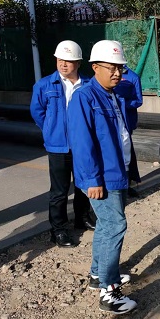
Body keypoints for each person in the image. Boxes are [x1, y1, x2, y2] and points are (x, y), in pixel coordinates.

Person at [67, 40, 139, 314]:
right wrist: (91, 180)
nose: (117, 73)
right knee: (115, 225)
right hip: (103, 177)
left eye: (120, 68)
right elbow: (82, 143)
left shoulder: (112, 94)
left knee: (107, 226)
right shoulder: (85, 97)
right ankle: (109, 293)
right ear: (95, 67)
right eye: (112, 68)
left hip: (117, 170)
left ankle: (98, 274)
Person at [30, 40, 95, 248]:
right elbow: (37, 112)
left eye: (68, 60)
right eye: (60, 60)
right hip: (58, 147)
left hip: (82, 145)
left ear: (78, 62)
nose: (63, 64)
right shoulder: (44, 85)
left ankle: (82, 218)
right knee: (59, 191)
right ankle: (58, 230)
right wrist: (51, 129)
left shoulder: (89, 84)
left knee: (83, 184)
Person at [112, 42, 143, 198]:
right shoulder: (103, 78)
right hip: (110, 123)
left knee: (126, 152)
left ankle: (128, 183)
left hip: (126, 122)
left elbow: (138, 101)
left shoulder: (133, 77)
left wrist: (122, 103)